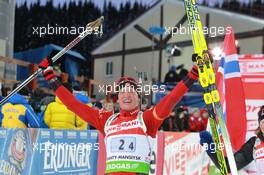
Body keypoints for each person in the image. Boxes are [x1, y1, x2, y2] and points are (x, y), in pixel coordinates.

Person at [38, 57, 199, 175]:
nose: (127, 95)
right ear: (118, 97)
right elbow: (73, 104)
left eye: (131, 91)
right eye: (123, 92)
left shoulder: (146, 119)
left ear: (138, 97)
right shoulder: (107, 120)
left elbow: (170, 100)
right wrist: (50, 77)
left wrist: (192, 75)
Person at [200, 105, 264, 174]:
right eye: (263, 122)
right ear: (259, 125)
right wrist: (210, 147)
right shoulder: (255, 143)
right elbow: (229, 166)